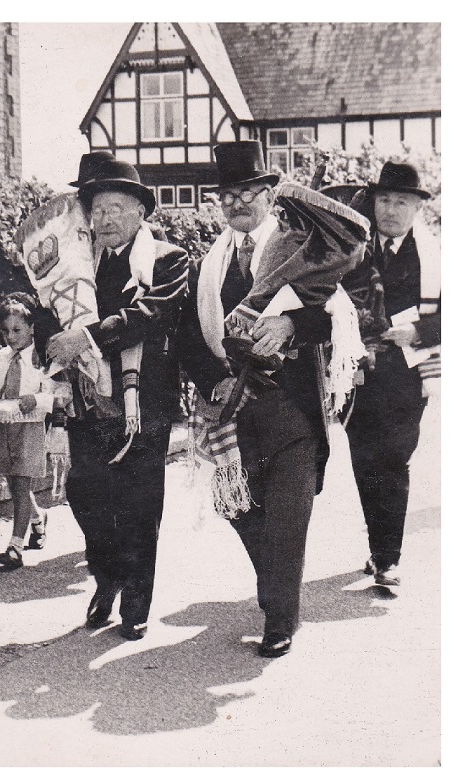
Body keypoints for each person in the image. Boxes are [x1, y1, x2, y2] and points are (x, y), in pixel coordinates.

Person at [178, 141, 364, 658]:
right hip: (231, 410)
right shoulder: (208, 264)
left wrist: (288, 323)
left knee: (287, 513)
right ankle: (280, 590)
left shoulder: (300, 244)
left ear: (268, 197)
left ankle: (279, 616)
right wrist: (208, 376)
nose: (238, 205)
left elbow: (339, 314)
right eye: (228, 196)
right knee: (237, 508)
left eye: (248, 194)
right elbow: (189, 334)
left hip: (293, 406)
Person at [32, 158, 188, 640]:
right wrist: (51, 340)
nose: (105, 220)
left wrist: (86, 337)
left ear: (141, 212)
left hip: (146, 403)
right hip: (87, 403)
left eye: (117, 208)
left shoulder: (167, 258)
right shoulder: (75, 266)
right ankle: (108, 578)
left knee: (140, 506)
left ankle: (136, 604)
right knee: (85, 494)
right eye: (97, 210)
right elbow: (45, 317)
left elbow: (150, 313)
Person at [341, 161, 441, 587]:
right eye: (384, 199)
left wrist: (417, 330)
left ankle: (389, 557)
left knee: (394, 459)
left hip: (407, 375)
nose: (391, 210)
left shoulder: (435, 256)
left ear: (417, 208)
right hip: (357, 373)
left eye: (402, 201)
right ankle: (377, 547)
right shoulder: (351, 250)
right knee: (364, 462)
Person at [0, 293, 53, 569]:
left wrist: (38, 400)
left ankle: (15, 546)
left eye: (17, 330)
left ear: (31, 328)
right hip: (3, 425)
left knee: (21, 482)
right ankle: (38, 519)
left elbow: (58, 392)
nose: (10, 336)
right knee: (15, 482)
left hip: (29, 427)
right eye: (5, 330)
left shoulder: (41, 358)